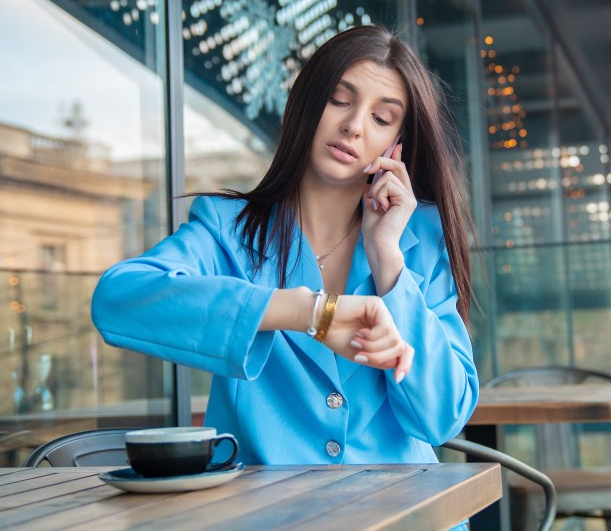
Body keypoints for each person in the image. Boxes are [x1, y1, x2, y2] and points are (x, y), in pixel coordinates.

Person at [91, 25, 479, 468]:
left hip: (402, 509)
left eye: (381, 118)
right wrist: (305, 312)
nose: (353, 126)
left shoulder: (417, 235)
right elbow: (117, 300)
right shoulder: (228, 228)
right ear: (307, 103)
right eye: (340, 99)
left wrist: (388, 261)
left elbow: (444, 419)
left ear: (396, 145)